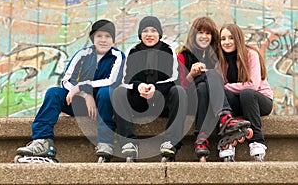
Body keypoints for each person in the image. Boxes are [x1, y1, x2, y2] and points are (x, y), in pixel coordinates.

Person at [16, 19, 126, 163]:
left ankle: (105, 143)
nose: (103, 40)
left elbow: (112, 81)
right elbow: (66, 81)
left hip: (103, 106)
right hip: (81, 104)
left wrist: (82, 86)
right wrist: (86, 95)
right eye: (99, 36)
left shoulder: (117, 56)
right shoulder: (83, 54)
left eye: (107, 36)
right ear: (93, 38)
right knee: (53, 93)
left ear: (113, 39)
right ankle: (42, 141)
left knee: (106, 92)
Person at [112, 16, 187, 162]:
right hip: (139, 101)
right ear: (140, 34)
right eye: (145, 31)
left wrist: (155, 88)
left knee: (179, 92)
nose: (149, 34)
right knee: (118, 93)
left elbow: (174, 78)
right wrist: (139, 86)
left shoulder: (168, 50)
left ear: (159, 33)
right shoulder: (133, 51)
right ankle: (129, 143)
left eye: (153, 30)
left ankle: (171, 142)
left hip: (162, 100)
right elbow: (126, 80)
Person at [178, 17, 253, 162]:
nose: (204, 36)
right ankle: (225, 117)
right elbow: (178, 89)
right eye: (200, 32)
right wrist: (191, 75)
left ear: (212, 36)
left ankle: (201, 141)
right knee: (205, 80)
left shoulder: (217, 56)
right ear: (193, 35)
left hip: (208, 100)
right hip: (190, 101)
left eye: (208, 33)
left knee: (203, 87)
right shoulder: (182, 56)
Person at [218, 23, 273, 161]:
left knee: (246, 93)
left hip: (259, 101)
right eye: (223, 39)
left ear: (238, 38)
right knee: (225, 95)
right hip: (238, 103)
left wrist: (225, 86)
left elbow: (253, 85)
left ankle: (257, 142)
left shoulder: (250, 54)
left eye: (231, 38)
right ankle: (229, 140)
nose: (227, 42)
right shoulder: (219, 59)